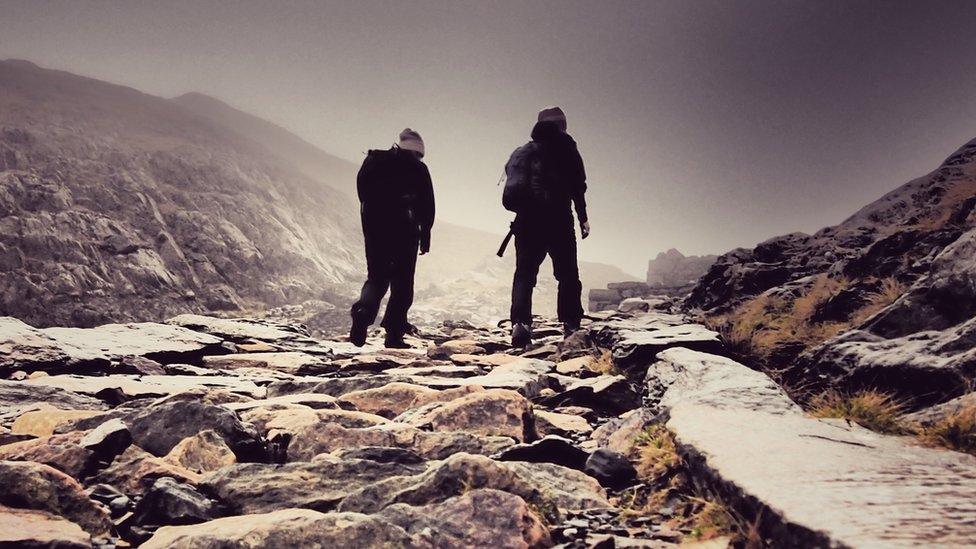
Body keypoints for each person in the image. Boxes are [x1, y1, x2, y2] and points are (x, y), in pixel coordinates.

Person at [507, 106, 590, 347]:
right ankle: (571, 324)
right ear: (562, 125)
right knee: (567, 275)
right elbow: (578, 185)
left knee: (524, 274)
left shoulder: (523, 151)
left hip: (526, 222)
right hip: (559, 221)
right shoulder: (567, 148)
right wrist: (583, 216)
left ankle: (520, 324)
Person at [349, 128, 434, 348]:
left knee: (376, 277)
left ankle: (363, 311)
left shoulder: (374, 160)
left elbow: (362, 192)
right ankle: (394, 334)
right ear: (417, 151)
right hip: (405, 232)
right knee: (402, 283)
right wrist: (425, 234)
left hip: (374, 228)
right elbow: (427, 206)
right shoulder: (418, 169)